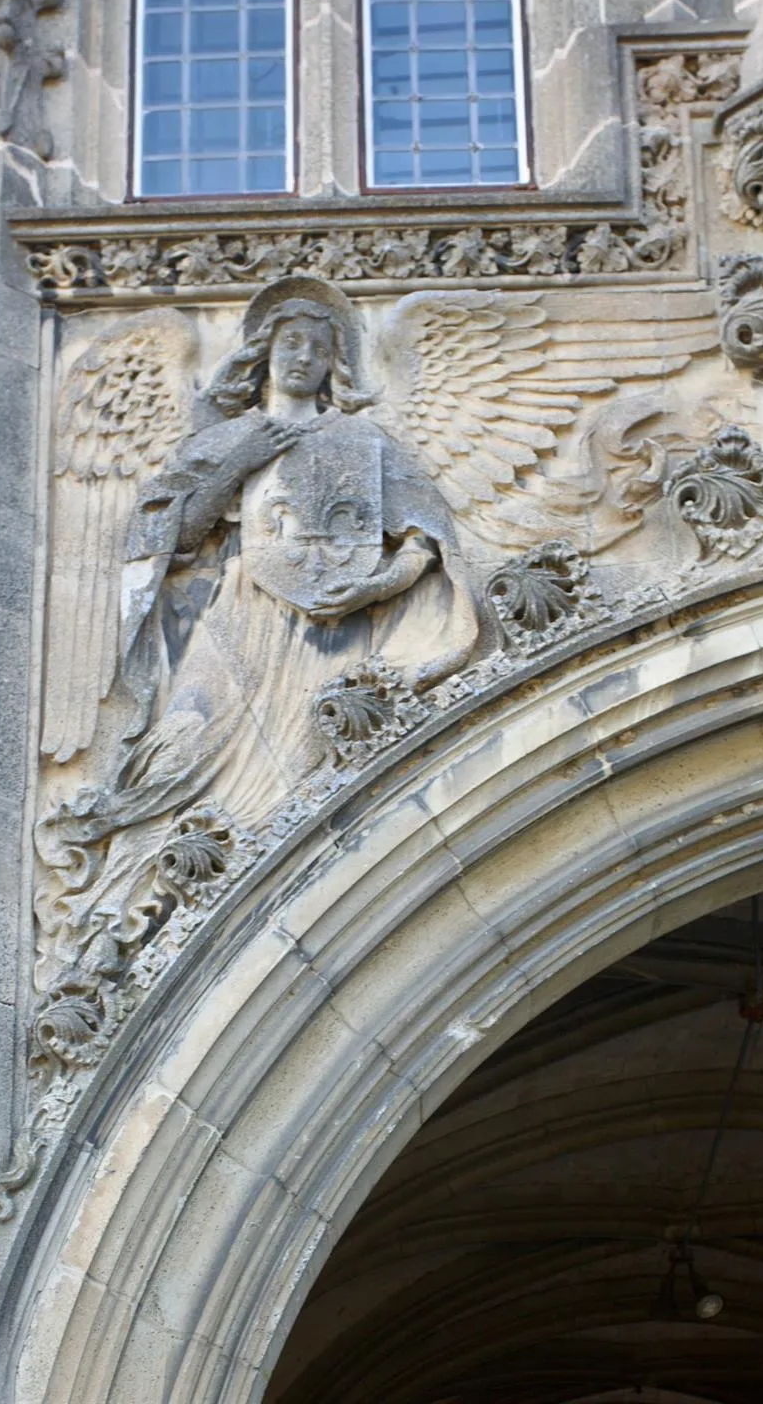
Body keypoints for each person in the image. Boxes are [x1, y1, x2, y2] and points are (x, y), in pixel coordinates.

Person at [36, 277, 479, 974]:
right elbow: (170, 535)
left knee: (305, 762)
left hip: (333, 631)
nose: (302, 356)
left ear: (337, 359)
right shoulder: (233, 437)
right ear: (263, 353)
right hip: (240, 614)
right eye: (289, 341)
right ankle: (122, 914)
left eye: (318, 345)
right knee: (181, 745)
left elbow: (426, 533)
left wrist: (384, 580)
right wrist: (236, 462)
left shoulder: (360, 439)